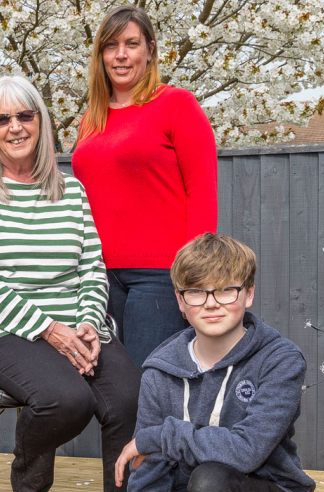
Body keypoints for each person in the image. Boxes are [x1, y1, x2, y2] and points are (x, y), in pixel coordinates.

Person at [0, 75, 141, 492]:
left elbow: (92, 268)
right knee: (66, 398)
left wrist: (90, 325)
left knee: (132, 396)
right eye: (2, 119)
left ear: (41, 121)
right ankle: (29, 489)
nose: (15, 127)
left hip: (73, 326)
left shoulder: (70, 192)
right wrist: (50, 329)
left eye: (25, 115)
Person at [108, 233, 314, 492]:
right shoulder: (160, 371)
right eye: (197, 292)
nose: (211, 303)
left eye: (226, 290)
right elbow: (150, 477)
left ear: (248, 294)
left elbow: (247, 450)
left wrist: (158, 438)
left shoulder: (280, 360)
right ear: (180, 301)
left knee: (211, 481)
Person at [71, 5, 218, 367]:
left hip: (158, 277)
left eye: (131, 43)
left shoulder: (176, 105)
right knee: (110, 391)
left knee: (148, 386)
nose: (121, 55)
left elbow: (202, 193)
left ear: (150, 49)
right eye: (111, 45)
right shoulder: (92, 117)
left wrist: (192, 278)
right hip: (97, 277)